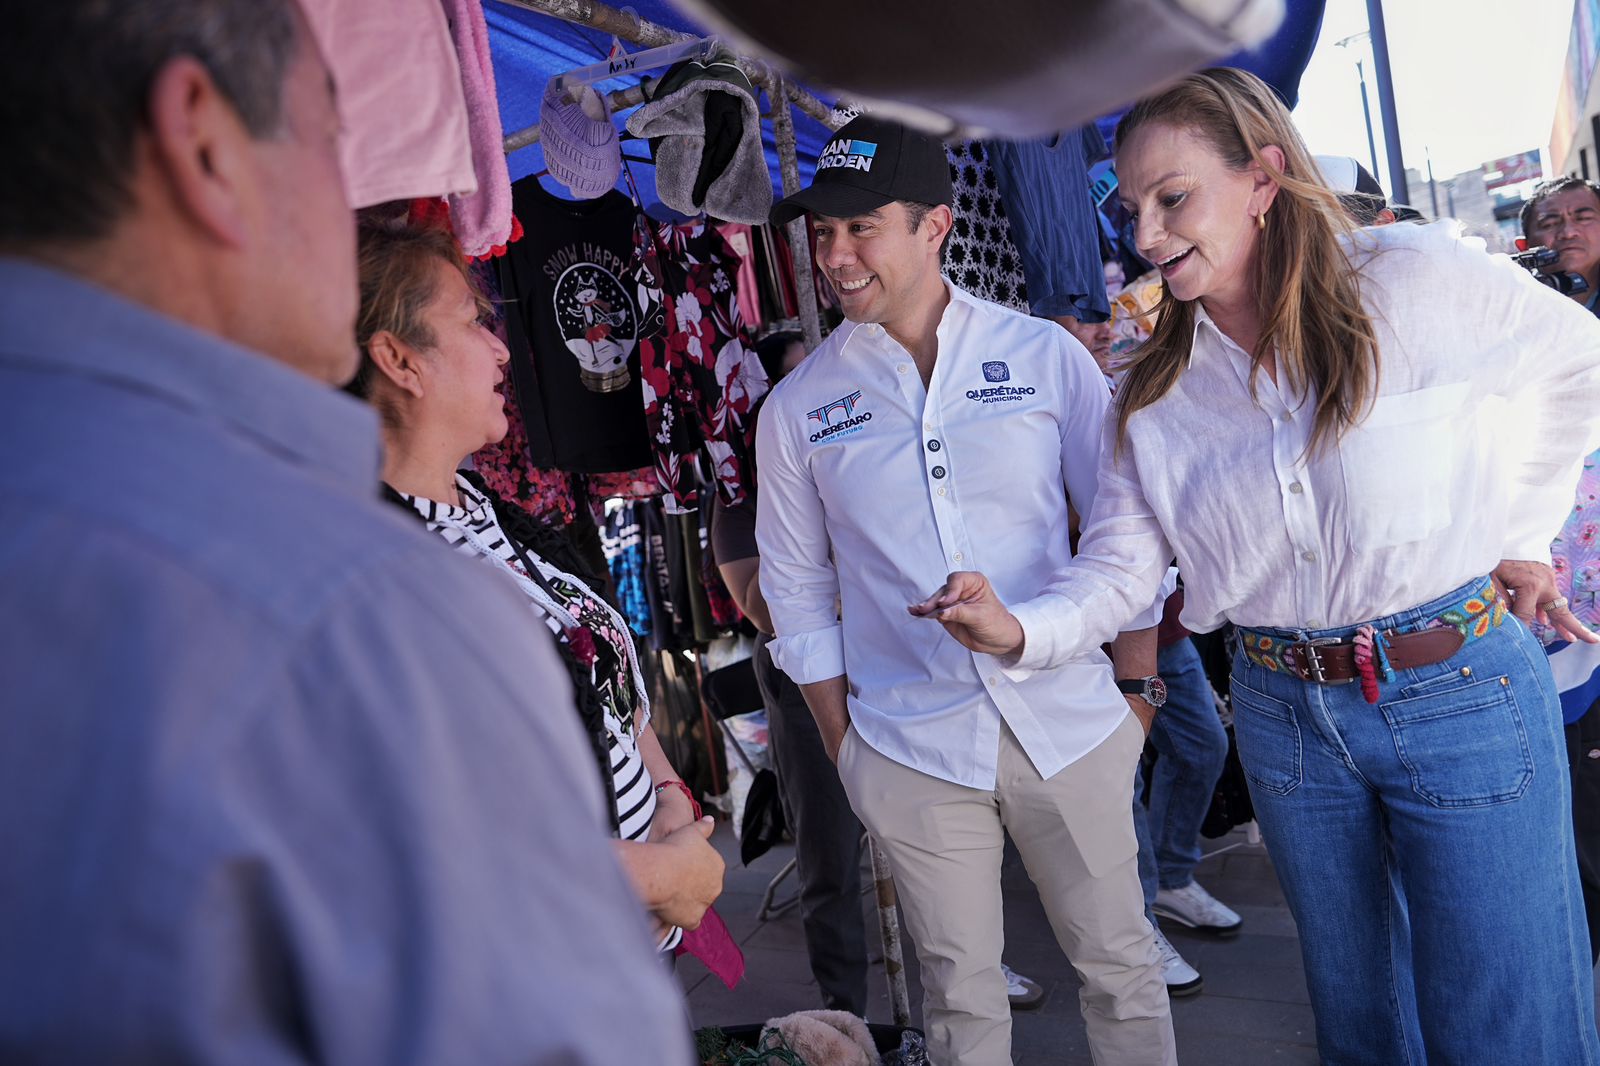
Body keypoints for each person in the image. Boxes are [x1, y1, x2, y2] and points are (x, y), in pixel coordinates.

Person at [0, 3, 693, 1062]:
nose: (353, 203)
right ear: (202, 143)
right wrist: (655, 875)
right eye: (334, 141)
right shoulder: (365, 614)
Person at [913, 68, 1600, 1064]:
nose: (1144, 234)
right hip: (1283, 710)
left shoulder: (1406, 281)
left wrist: (1521, 534)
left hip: (1460, 690)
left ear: (1264, 178)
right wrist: (1020, 628)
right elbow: (1121, 562)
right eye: (1132, 207)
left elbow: (1577, 358)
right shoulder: (1154, 379)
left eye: (1172, 197)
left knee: (1506, 1024)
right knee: (1363, 1025)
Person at [757, 114, 1176, 1065]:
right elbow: (795, 592)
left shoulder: (1044, 356)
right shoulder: (795, 408)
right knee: (959, 1004)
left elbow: (1124, 529)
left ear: (936, 224)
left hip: (1070, 725)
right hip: (910, 748)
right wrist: (847, 752)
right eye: (822, 231)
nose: (835, 254)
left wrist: (1138, 689)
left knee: (1122, 970)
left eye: (862, 227)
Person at [347, 219, 725, 950]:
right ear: (399, 360)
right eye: (473, 322)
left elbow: (613, 691)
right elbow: (436, 847)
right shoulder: (381, 570)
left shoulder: (492, 511)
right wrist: (656, 877)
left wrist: (672, 798)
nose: (499, 348)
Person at [713, 330, 872, 1015]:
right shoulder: (741, 494)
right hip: (805, 682)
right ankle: (846, 1010)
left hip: (887, 660)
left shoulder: (872, 456)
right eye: (801, 379)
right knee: (830, 854)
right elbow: (761, 609)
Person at [1522, 176, 1600, 315]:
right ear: (1524, 246)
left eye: (1584, 218)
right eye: (1549, 224)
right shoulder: (1511, 305)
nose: (1568, 233)